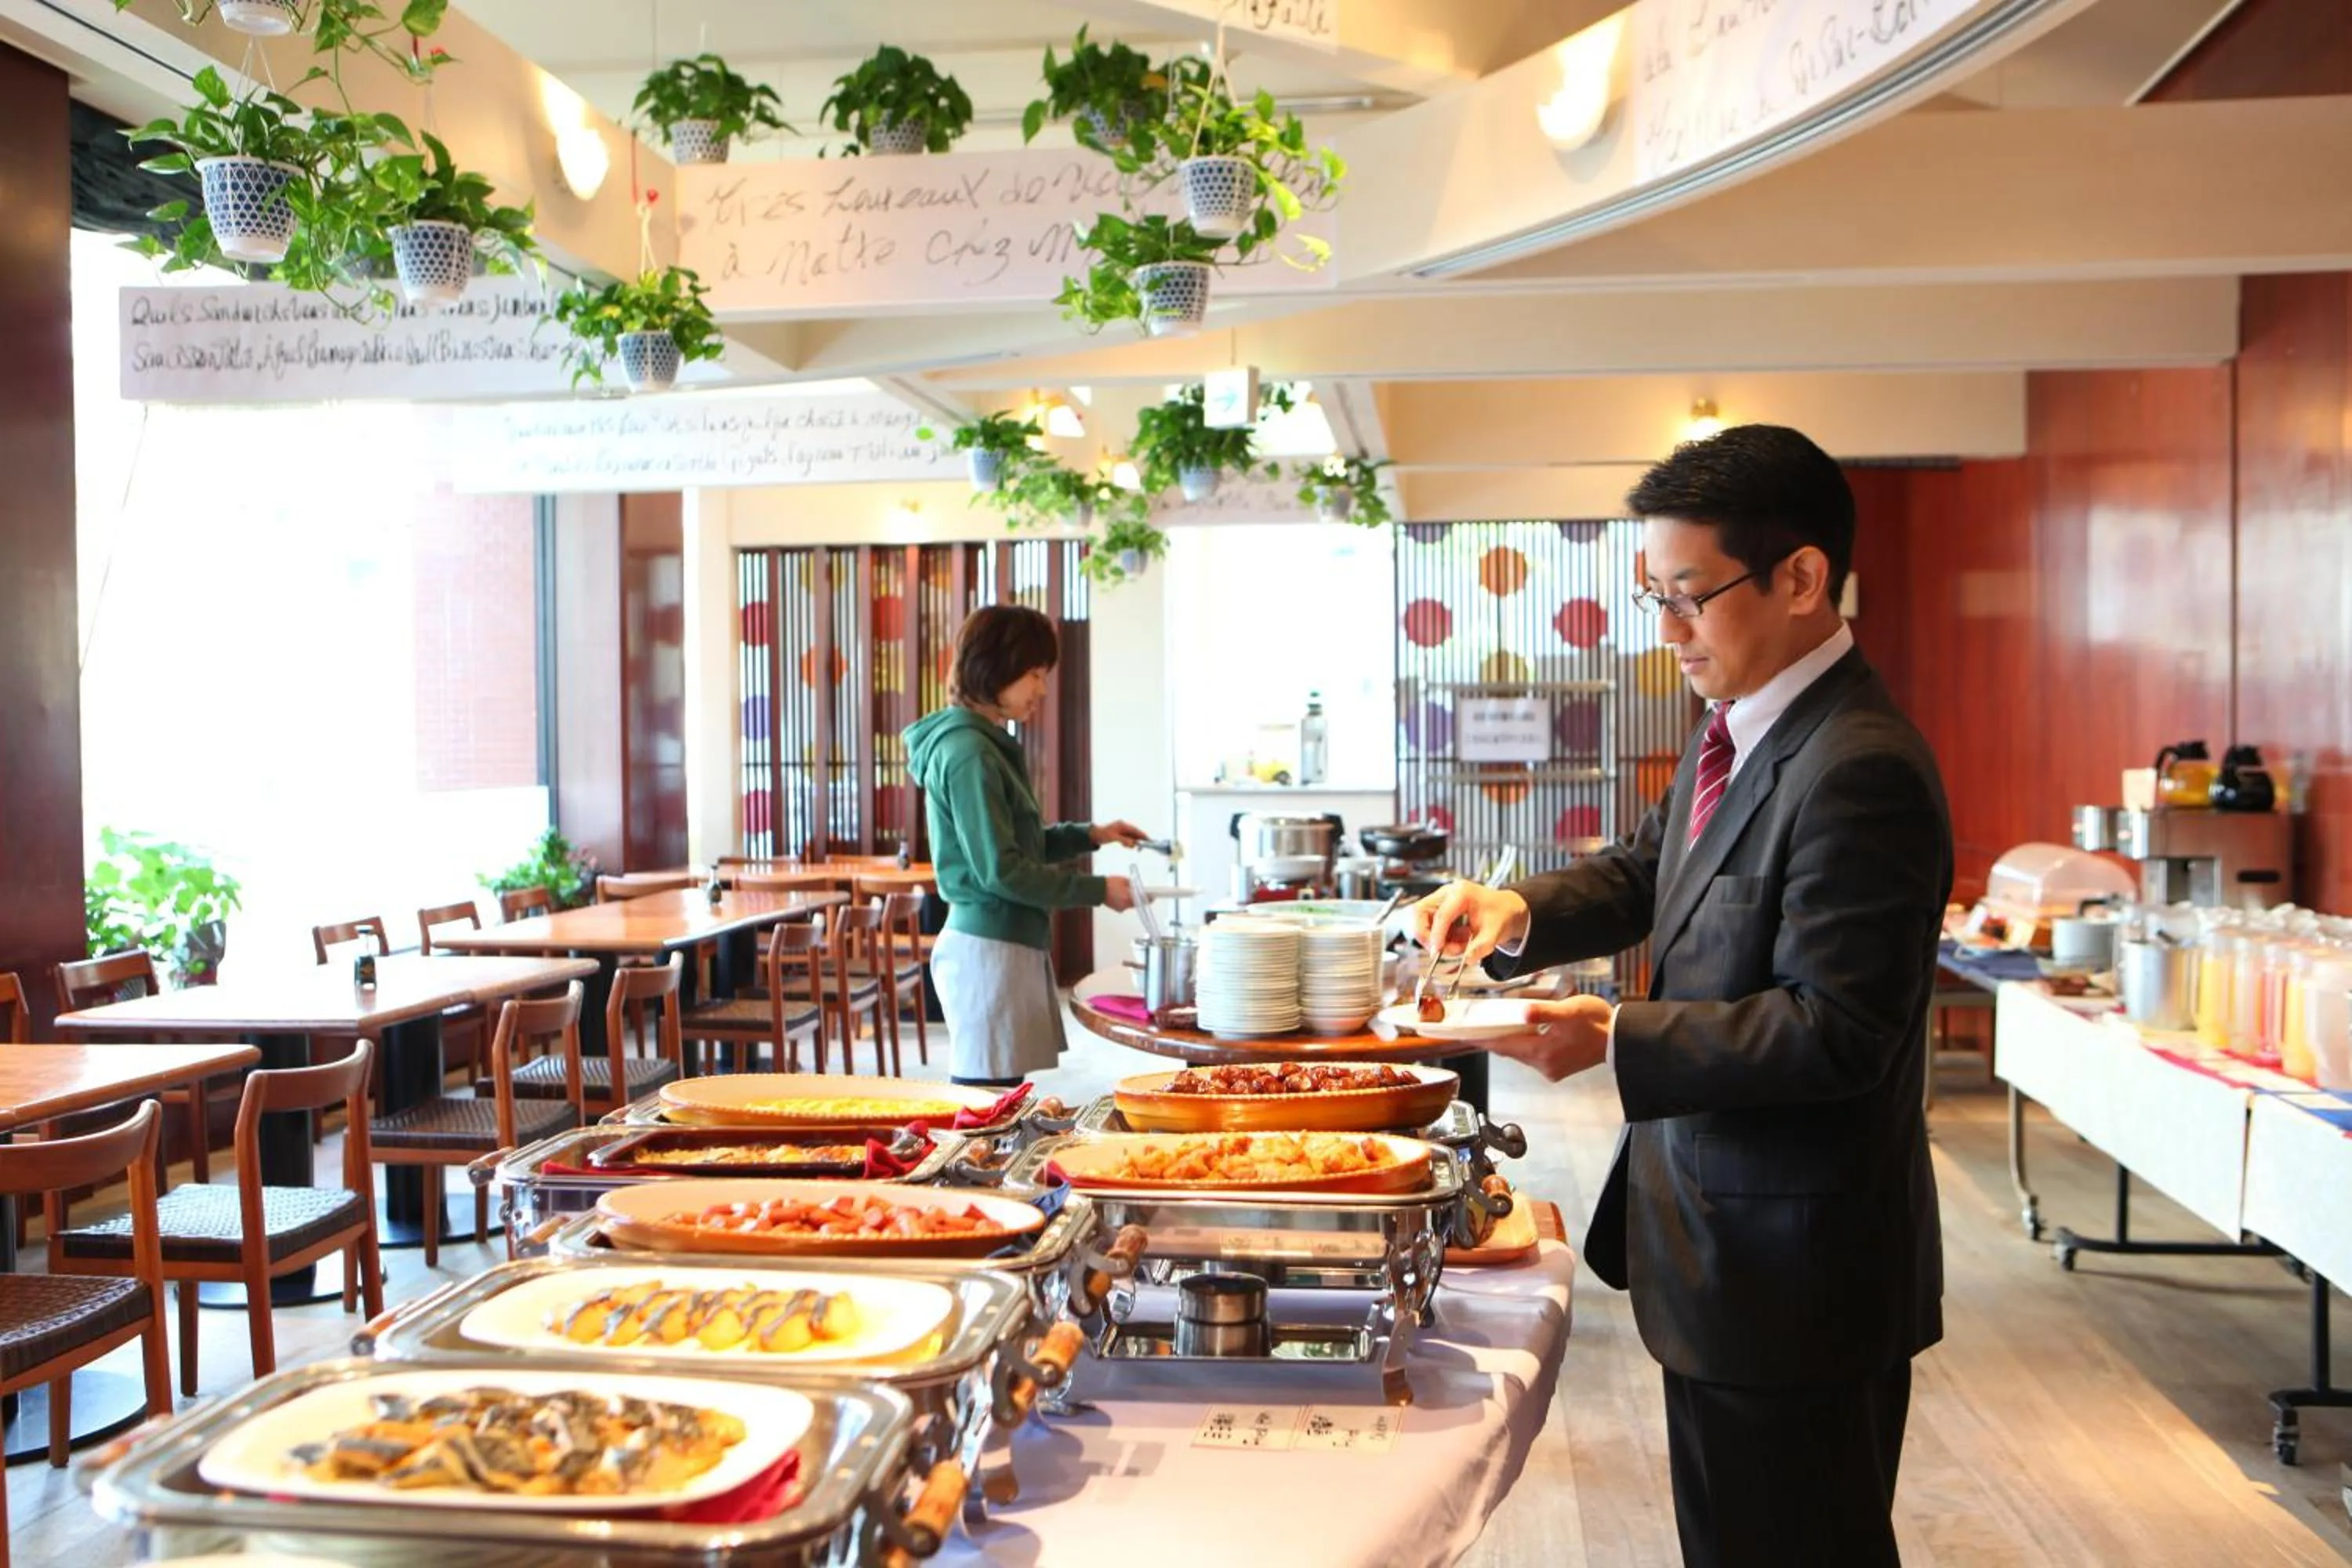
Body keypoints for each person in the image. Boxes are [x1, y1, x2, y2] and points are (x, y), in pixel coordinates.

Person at [1414, 425, 1952, 1568]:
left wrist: (1615, 1037)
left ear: (1802, 578)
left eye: (1689, 597)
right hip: (1723, 1245)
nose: (1666, 633)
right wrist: (1515, 912)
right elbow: (1646, 872)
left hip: (1798, 1267)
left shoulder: (1860, 766)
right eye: (1651, 597)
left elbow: (1837, 1032)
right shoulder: (1745, 725)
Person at [905, 604, 1145, 1087]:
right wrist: (1099, 891)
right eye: (1034, 674)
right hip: (987, 948)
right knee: (985, 1103)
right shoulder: (969, 751)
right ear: (995, 668)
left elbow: (1021, 846)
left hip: (1001, 943)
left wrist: (1092, 835)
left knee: (999, 1097)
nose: (1042, 689)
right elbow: (1003, 870)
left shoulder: (981, 743)